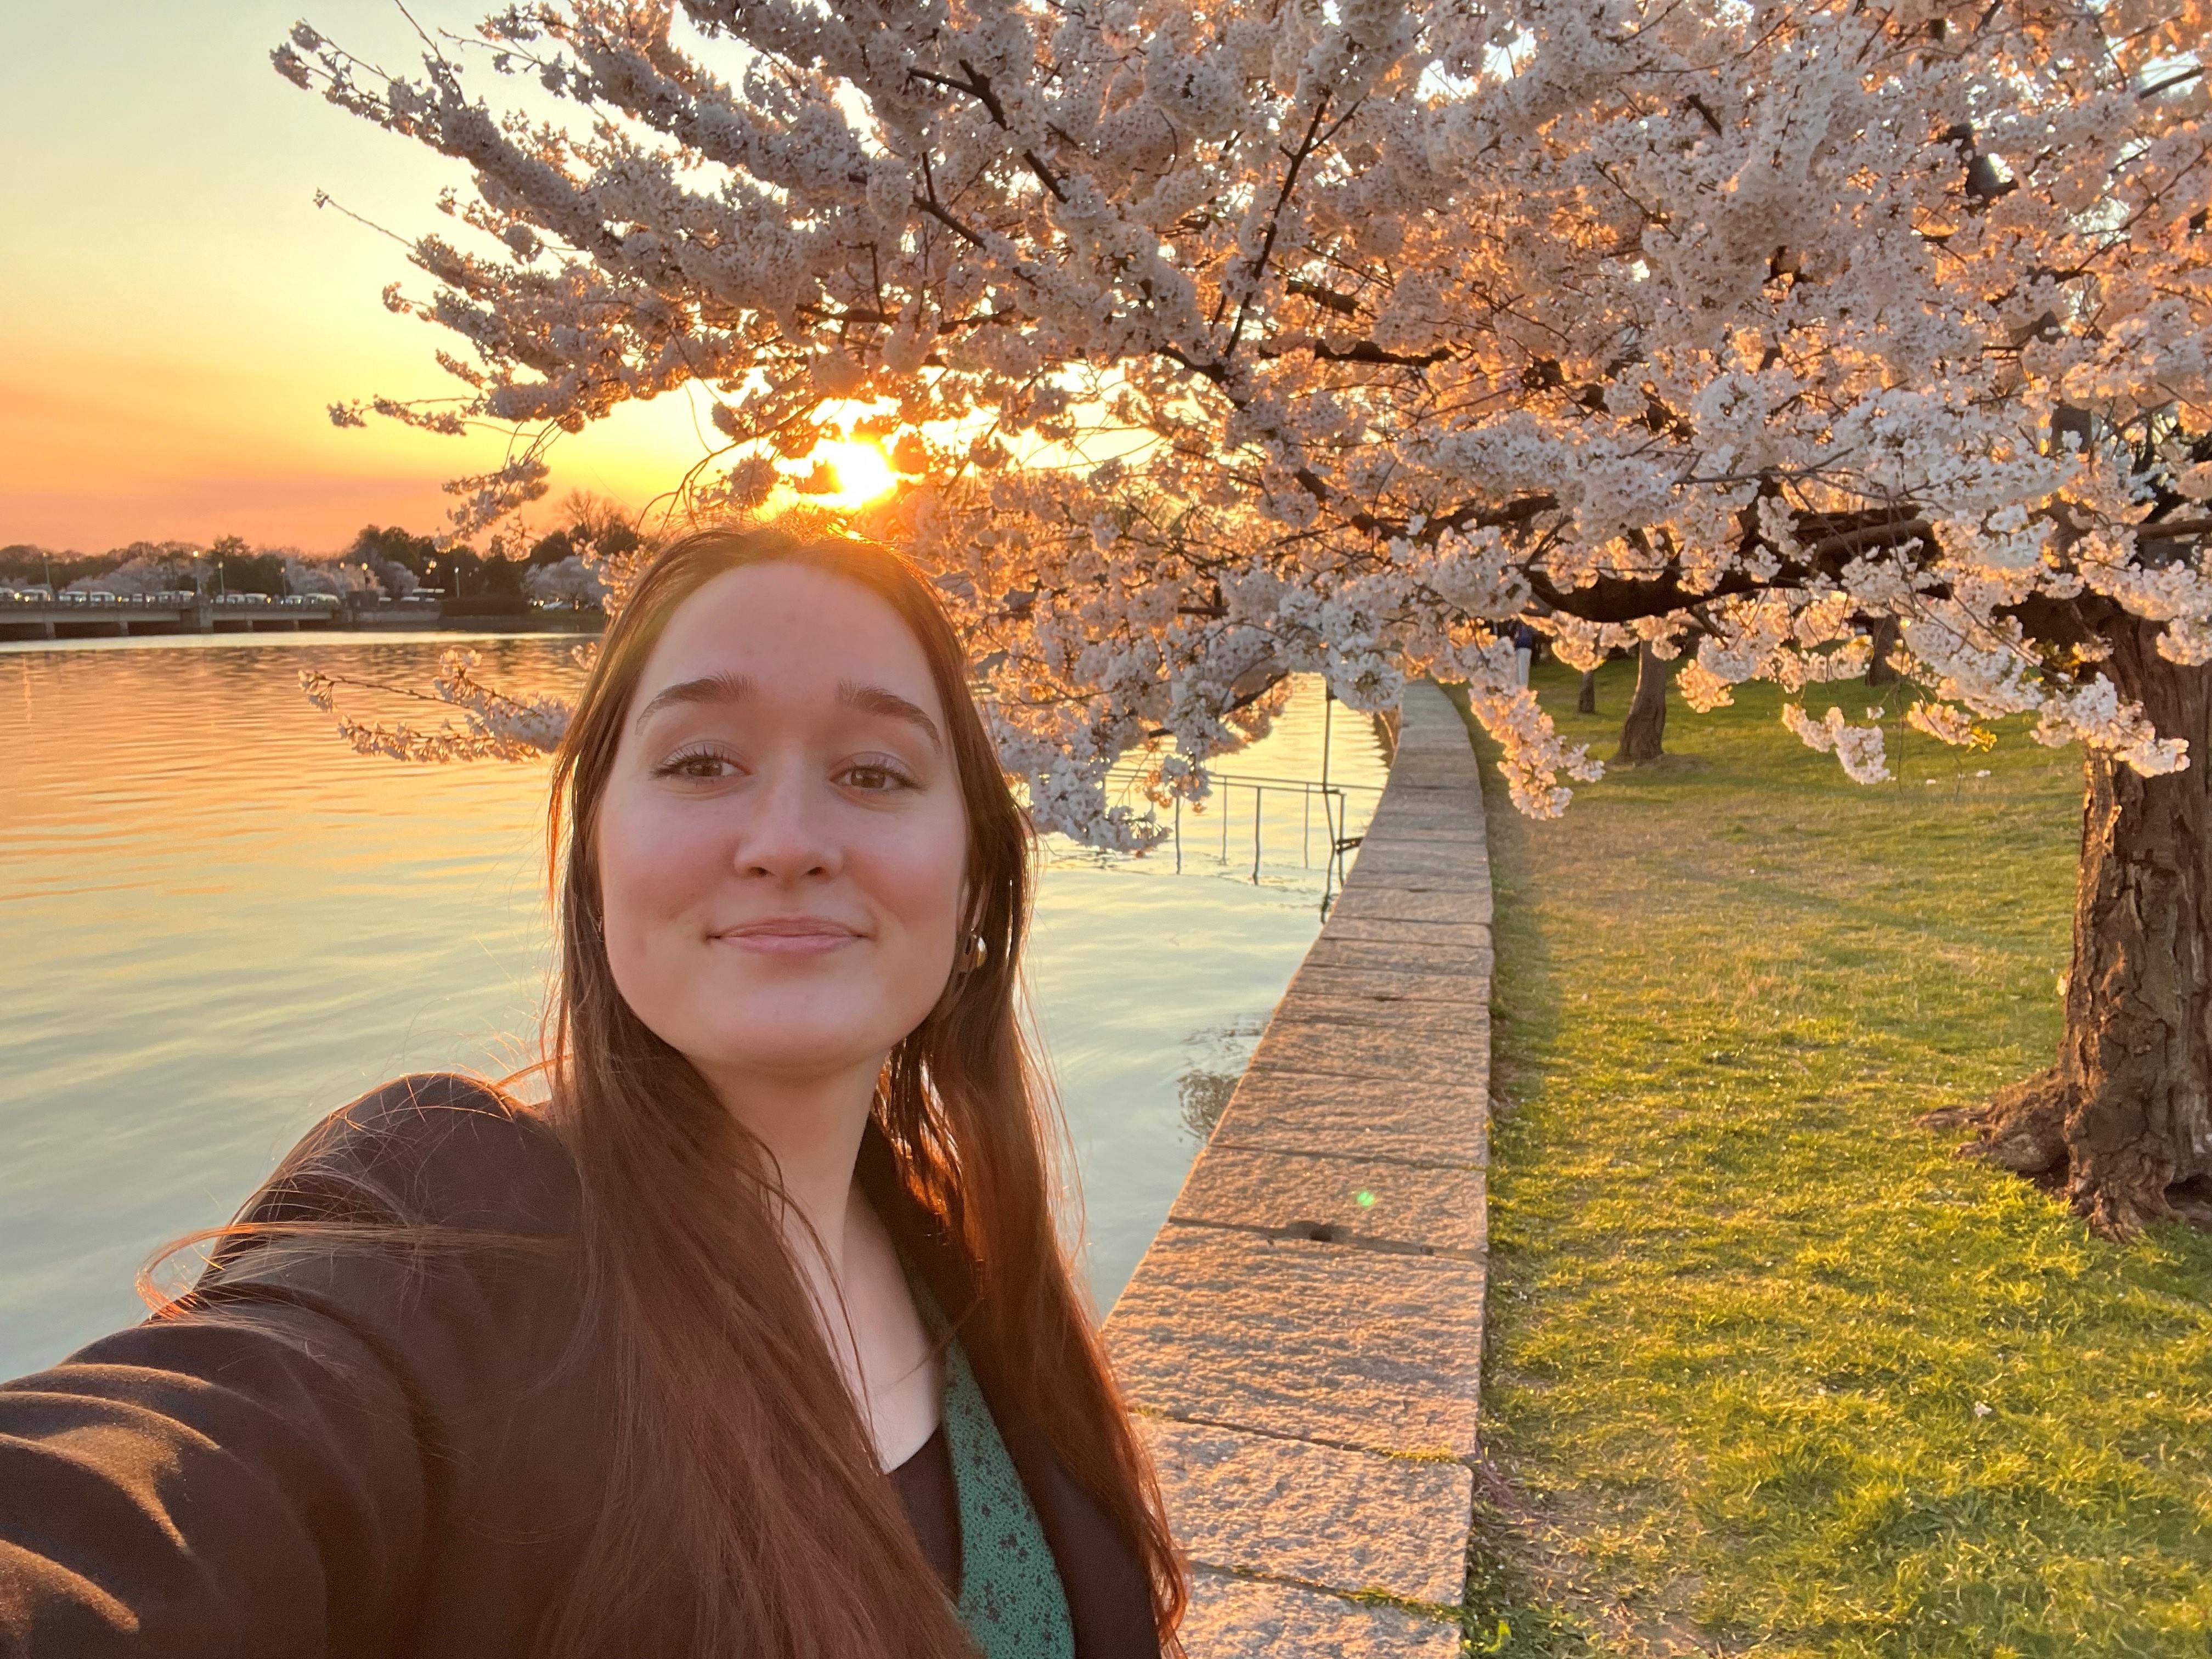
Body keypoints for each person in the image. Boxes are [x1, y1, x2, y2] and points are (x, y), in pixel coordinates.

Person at [0, 523, 1184, 1658]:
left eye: (876, 773)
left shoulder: (969, 1270)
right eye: (702, 762)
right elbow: (175, 1471)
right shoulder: (453, 1233)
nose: (787, 839)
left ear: (975, 883)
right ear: (597, 863)